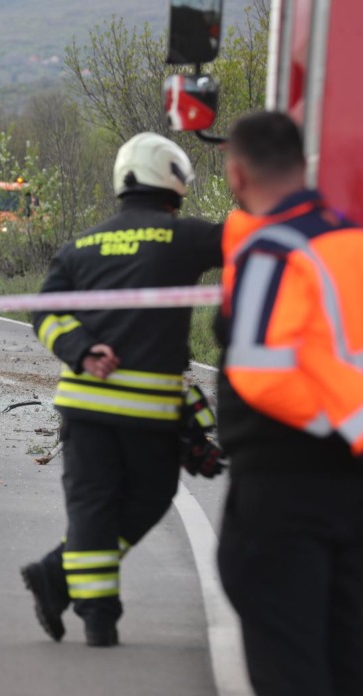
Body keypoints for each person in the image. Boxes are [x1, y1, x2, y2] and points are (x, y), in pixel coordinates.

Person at [20, 133, 222, 647]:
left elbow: (43, 312)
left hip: (86, 405)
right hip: (148, 414)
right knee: (150, 497)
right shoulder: (186, 238)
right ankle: (96, 615)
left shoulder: (81, 245)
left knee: (93, 506)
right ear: (173, 182)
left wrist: (81, 349)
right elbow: (248, 239)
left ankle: (62, 578)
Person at [215, 111, 363, 696]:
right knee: (346, 649)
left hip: (284, 486)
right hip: (353, 484)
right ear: (305, 168)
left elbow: (259, 375)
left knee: (289, 659)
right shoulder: (351, 239)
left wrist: (340, 422)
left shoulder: (271, 251)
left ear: (236, 175)